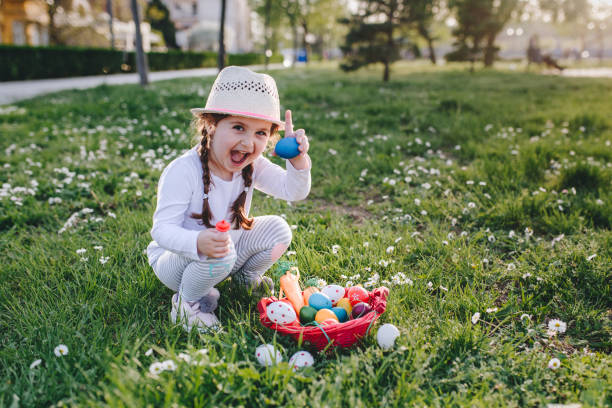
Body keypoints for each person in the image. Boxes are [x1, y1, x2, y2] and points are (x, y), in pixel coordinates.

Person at [146, 66, 311, 332]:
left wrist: (298, 160)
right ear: (211, 125)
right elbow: (162, 230)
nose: (248, 142)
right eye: (238, 127)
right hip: (176, 262)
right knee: (222, 250)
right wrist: (197, 242)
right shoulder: (183, 171)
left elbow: (294, 191)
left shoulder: (252, 166)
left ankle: (245, 279)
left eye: (260, 133)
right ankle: (186, 304)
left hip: (224, 252)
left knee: (279, 230)